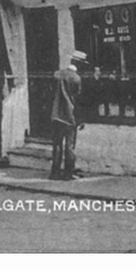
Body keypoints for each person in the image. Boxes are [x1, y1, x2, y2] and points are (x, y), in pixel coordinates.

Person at [49, 50, 87, 180]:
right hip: (70, 116)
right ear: (79, 64)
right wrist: (80, 120)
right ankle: (68, 173)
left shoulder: (57, 74)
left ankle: (54, 172)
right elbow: (78, 99)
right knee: (69, 146)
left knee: (57, 145)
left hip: (56, 115)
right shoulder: (76, 79)